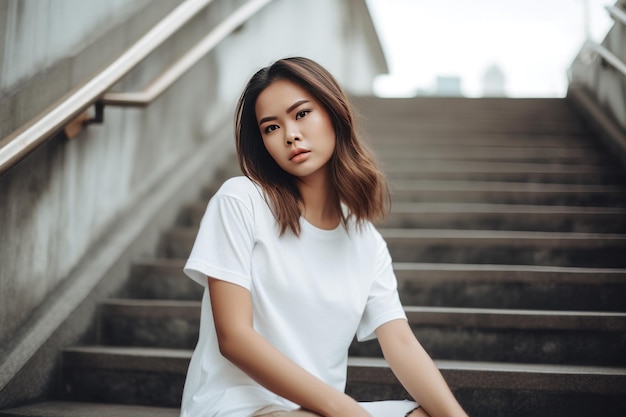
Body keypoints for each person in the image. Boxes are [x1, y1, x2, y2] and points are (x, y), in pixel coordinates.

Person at [181, 57, 468, 417]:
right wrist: (346, 410)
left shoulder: (367, 243)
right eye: (271, 128)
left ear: (333, 112)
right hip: (238, 407)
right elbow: (234, 338)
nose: (290, 135)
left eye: (301, 114)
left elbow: (401, 345)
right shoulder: (241, 200)